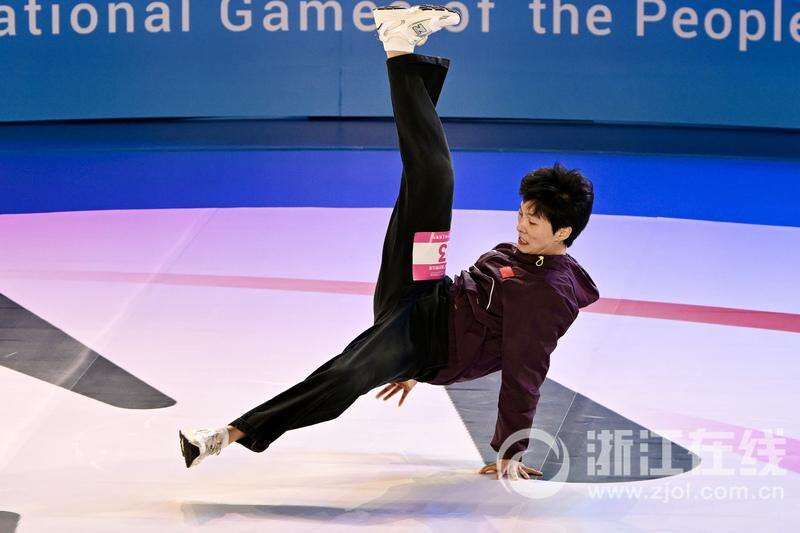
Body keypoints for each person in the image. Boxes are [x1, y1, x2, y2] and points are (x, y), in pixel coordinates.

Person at [178, 3, 599, 481]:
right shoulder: (518, 254)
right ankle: (399, 44)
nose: (521, 226)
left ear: (563, 232)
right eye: (521, 214)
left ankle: (225, 435)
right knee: (434, 178)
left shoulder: (549, 295)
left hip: (422, 341)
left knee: (346, 376)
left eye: (534, 222)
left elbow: (525, 372)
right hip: (424, 287)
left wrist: (510, 449)